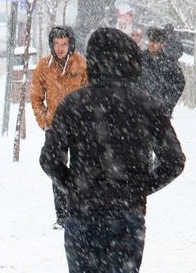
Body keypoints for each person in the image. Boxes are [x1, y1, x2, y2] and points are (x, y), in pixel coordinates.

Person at [40, 27, 185, 273]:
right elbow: (174, 161)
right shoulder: (146, 105)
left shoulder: (74, 104)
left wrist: (74, 186)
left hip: (83, 215)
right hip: (127, 215)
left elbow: (49, 159)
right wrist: (140, 187)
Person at [30, 26, 87, 229]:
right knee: (55, 168)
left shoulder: (81, 64)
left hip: (80, 128)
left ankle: (77, 211)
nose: (60, 48)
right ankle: (62, 215)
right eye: (56, 44)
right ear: (51, 45)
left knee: (81, 169)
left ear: (70, 44)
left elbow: (90, 93)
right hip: (55, 126)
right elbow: (36, 97)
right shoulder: (44, 66)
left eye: (64, 44)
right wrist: (44, 121)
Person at [137, 27, 185, 118]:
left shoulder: (169, 63)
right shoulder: (140, 59)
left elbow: (180, 82)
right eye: (150, 41)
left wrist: (167, 104)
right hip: (140, 110)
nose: (152, 44)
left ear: (162, 44)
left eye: (155, 42)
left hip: (160, 113)